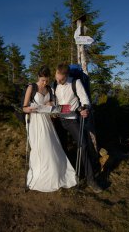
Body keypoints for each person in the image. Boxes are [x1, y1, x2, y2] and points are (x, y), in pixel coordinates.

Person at [22, 66, 77, 192]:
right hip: (35, 121)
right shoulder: (31, 87)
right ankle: (39, 174)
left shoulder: (49, 89)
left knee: (51, 146)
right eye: (42, 80)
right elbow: (24, 107)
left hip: (47, 121)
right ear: (38, 77)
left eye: (46, 80)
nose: (45, 83)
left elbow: (53, 103)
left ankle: (55, 173)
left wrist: (50, 104)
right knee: (40, 147)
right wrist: (30, 109)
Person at [53, 63, 103, 193]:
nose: (58, 81)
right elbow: (54, 101)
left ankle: (91, 180)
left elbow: (85, 101)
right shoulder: (55, 84)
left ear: (67, 76)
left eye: (61, 79)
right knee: (61, 147)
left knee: (83, 146)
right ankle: (65, 176)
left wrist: (84, 109)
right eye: (57, 78)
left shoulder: (76, 83)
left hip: (73, 120)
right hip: (59, 120)